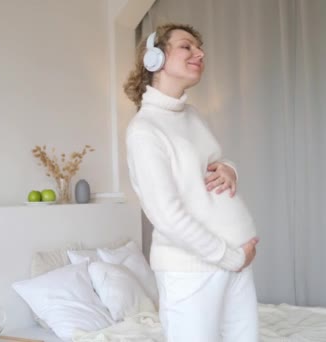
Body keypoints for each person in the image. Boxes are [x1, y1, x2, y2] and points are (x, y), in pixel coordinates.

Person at [124, 23, 260, 341]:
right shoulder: (145, 130)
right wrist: (231, 257)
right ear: (154, 58)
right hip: (193, 269)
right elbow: (167, 215)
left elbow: (212, 164)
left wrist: (229, 169)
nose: (200, 53)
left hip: (232, 264)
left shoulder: (191, 115)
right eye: (187, 46)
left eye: (200, 48)